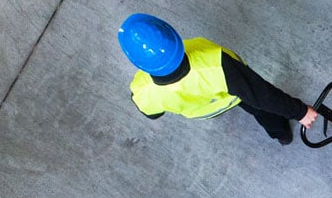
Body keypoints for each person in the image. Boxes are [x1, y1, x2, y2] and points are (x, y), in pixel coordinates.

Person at [117, 13, 319, 145]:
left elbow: (153, 114)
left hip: (206, 110)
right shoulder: (216, 65)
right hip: (234, 95)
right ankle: (280, 132)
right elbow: (262, 95)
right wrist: (300, 112)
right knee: (260, 108)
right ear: (173, 37)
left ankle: (281, 136)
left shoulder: (142, 91)